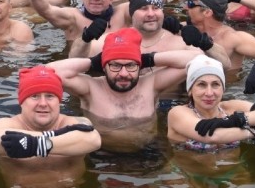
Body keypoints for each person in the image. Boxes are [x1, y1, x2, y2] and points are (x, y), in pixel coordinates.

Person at [49, 27, 205, 153]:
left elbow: (199, 59)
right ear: (104, 66)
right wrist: (91, 62)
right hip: (100, 154)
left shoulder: (151, 85)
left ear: (140, 66)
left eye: (130, 65)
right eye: (115, 65)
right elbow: (46, 73)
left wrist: (150, 59)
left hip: (148, 152)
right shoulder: (91, 88)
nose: (123, 74)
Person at [0, 66, 101, 188]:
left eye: (50, 96)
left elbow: (93, 140)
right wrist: (51, 138)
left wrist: (36, 144)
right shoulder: (7, 123)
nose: (43, 103)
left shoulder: (75, 122)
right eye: (34, 96)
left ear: (59, 101)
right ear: (22, 101)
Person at [68, 0, 232, 76]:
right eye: (143, 8)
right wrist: (85, 37)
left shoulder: (180, 42)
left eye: (156, 8)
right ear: (132, 13)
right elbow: (73, 63)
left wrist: (205, 43)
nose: (151, 14)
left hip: (171, 105)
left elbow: (223, 66)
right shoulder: (112, 40)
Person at [167, 55, 255, 150]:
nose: (209, 93)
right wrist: (253, 131)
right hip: (191, 176)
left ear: (223, 89)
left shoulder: (230, 108)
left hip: (233, 174)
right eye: (201, 85)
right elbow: (212, 137)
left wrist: (237, 119)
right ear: (190, 90)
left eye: (215, 84)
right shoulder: (178, 113)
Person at [180, 0, 255, 94]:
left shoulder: (231, 38)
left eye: (190, 4)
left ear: (207, 12)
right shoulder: (183, 29)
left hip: (225, 94)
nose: (185, 7)